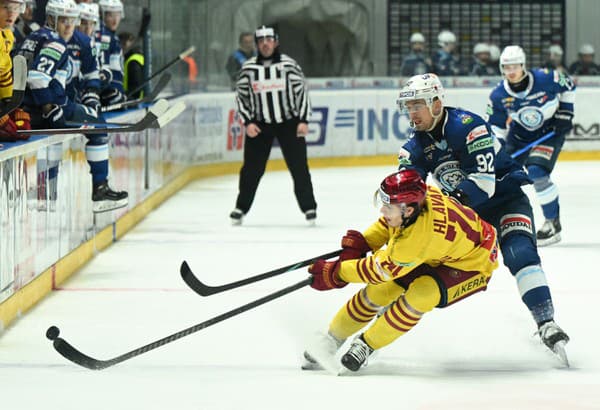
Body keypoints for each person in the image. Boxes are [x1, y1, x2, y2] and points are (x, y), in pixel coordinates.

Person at [389, 73, 569, 363]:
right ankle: (374, 318)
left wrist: (445, 206)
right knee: (419, 256)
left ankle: (546, 322)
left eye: (417, 105)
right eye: (408, 107)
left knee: (519, 253)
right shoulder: (413, 147)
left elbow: (484, 184)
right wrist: (396, 218)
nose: (411, 113)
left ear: (436, 103)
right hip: (466, 214)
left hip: (504, 200)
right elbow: (408, 194)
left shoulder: (468, 127)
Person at [303, 169, 500, 372]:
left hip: (475, 262)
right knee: (378, 291)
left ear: (408, 210)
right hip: (438, 251)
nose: (382, 211)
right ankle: (333, 338)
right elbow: (389, 226)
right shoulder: (419, 202)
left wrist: (337, 272)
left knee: (421, 295)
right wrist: (364, 243)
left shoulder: (416, 241)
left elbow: (377, 271)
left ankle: (367, 344)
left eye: (388, 207)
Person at [16, 0, 127, 213]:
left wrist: (92, 96)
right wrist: (50, 108)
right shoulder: (55, 42)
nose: (69, 26)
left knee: (53, 142)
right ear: (50, 19)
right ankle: (100, 188)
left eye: (72, 20)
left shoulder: (33, 37)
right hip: (48, 108)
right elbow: (38, 77)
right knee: (100, 128)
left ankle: (45, 192)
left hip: (27, 109)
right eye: (63, 20)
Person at [487, 45, 576, 246]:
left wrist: (566, 112)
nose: (511, 71)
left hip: (549, 133)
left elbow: (569, 85)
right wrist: (497, 148)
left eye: (515, 66)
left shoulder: (547, 77)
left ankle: (552, 224)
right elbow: (496, 125)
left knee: (537, 172)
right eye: (506, 67)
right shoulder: (498, 94)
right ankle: (499, 223)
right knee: (501, 176)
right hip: (519, 136)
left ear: (523, 65)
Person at [229, 25, 317, 226]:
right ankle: (241, 207)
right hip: (260, 125)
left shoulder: (289, 65)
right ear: (257, 44)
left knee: (299, 168)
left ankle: (309, 207)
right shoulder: (249, 68)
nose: (265, 44)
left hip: (289, 123)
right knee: (251, 169)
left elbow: (301, 93)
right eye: (261, 41)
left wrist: (303, 120)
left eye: (269, 40)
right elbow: (241, 97)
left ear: (276, 42)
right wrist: (248, 122)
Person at [0, 0, 31, 142]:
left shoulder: (7, 35)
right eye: (5, 7)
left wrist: (9, 107)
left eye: (16, 7)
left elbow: (3, 73)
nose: (11, 12)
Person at [96, 0, 126, 106]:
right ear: (101, 14)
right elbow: (103, 67)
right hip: (110, 90)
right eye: (110, 15)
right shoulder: (105, 36)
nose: (115, 19)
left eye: (117, 14)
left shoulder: (111, 35)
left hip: (115, 89)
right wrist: (110, 91)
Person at [118, 31, 144, 99]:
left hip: (134, 104)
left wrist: (122, 97)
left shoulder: (133, 62)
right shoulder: (129, 58)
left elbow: (136, 89)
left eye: (125, 43)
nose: (125, 45)